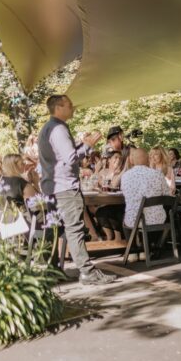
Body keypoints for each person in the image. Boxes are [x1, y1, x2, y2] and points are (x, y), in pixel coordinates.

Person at [37, 94, 114, 285]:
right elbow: (70, 158)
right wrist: (87, 146)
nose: (73, 107)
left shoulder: (46, 129)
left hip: (51, 187)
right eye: (69, 105)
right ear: (59, 107)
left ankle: (50, 270)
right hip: (65, 188)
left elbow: (60, 156)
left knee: (54, 230)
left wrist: (82, 145)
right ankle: (87, 272)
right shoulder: (59, 128)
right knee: (74, 230)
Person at [121, 147, 171, 232]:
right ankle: (157, 242)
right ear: (148, 159)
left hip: (133, 221)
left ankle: (132, 243)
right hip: (157, 220)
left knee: (123, 216)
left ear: (132, 160)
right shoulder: (158, 175)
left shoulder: (125, 176)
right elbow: (167, 195)